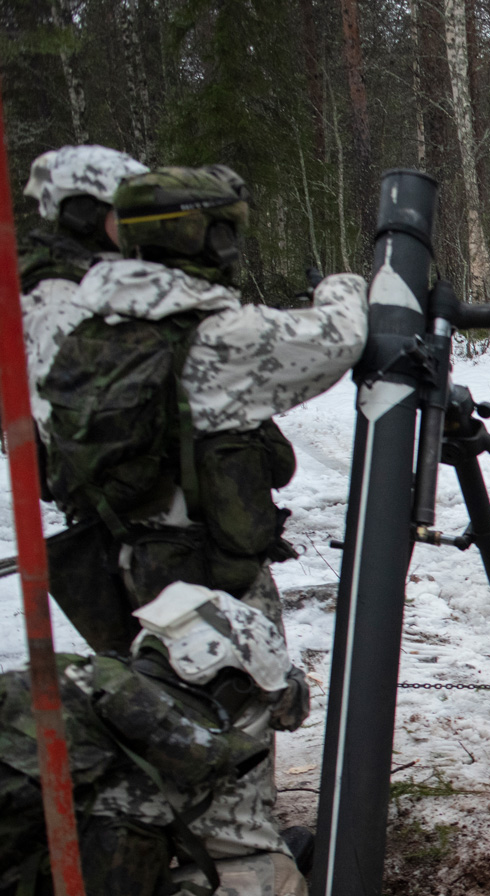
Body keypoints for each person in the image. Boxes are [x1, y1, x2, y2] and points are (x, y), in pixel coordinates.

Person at [0, 584, 338, 896]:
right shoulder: (175, 746)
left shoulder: (56, 685)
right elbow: (244, 855)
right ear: (222, 680)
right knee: (274, 885)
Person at [38, 164, 367, 653]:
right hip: (205, 583)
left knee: (147, 693)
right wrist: (342, 286)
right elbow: (342, 336)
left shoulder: (87, 325)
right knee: (241, 699)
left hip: (115, 565)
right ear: (202, 237)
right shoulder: (215, 338)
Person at [19, 145, 148, 431]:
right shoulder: (59, 297)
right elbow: (63, 423)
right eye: (125, 212)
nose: (140, 226)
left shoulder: (102, 279)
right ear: (85, 214)